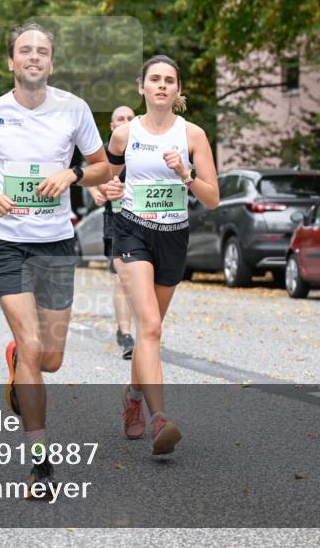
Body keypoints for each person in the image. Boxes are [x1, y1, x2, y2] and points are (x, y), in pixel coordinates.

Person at [0, 22, 109, 495]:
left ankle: (19, 359)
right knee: (32, 346)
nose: (35, 57)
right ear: (11, 61)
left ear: (52, 62)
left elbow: (103, 165)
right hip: (8, 243)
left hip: (56, 243)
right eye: (26, 50)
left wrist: (73, 175)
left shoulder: (74, 109)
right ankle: (40, 463)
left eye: (43, 51)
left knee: (52, 359)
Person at [102, 55, 220, 456]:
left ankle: (133, 396)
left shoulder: (193, 136)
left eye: (170, 80)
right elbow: (104, 178)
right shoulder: (125, 133)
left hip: (173, 237)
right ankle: (159, 419)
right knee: (149, 326)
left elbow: (213, 198)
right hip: (132, 232)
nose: (162, 85)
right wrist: (108, 191)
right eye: (155, 79)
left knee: (150, 333)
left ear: (178, 90)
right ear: (142, 87)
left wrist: (185, 175)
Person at [85, 105, 137, 359]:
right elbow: (89, 177)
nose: (126, 121)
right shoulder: (105, 152)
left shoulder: (146, 148)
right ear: (112, 125)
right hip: (116, 217)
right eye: (120, 118)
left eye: (130, 118)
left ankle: (145, 327)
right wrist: (97, 193)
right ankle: (126, 333)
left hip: (146, 218)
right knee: (123, 277)